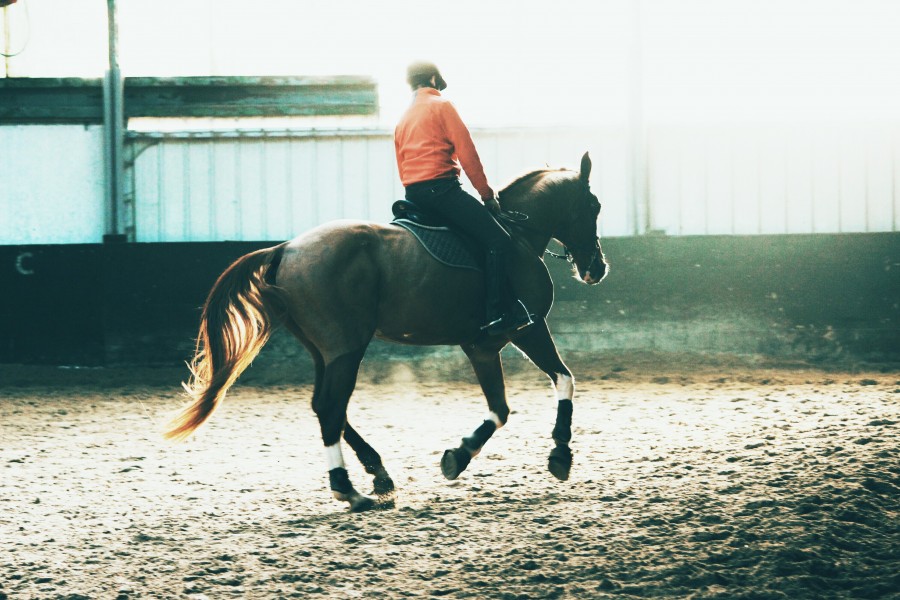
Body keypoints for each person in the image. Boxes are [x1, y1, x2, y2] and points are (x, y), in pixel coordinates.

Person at [394, 61, 533, 336]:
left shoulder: (403, 119)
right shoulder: (442, 106)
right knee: (497, 239)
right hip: (442, 190)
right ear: (433, 78)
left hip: (413, 194)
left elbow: (401, 164)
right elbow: (467, 153)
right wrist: (486, 194)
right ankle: (498, 313)